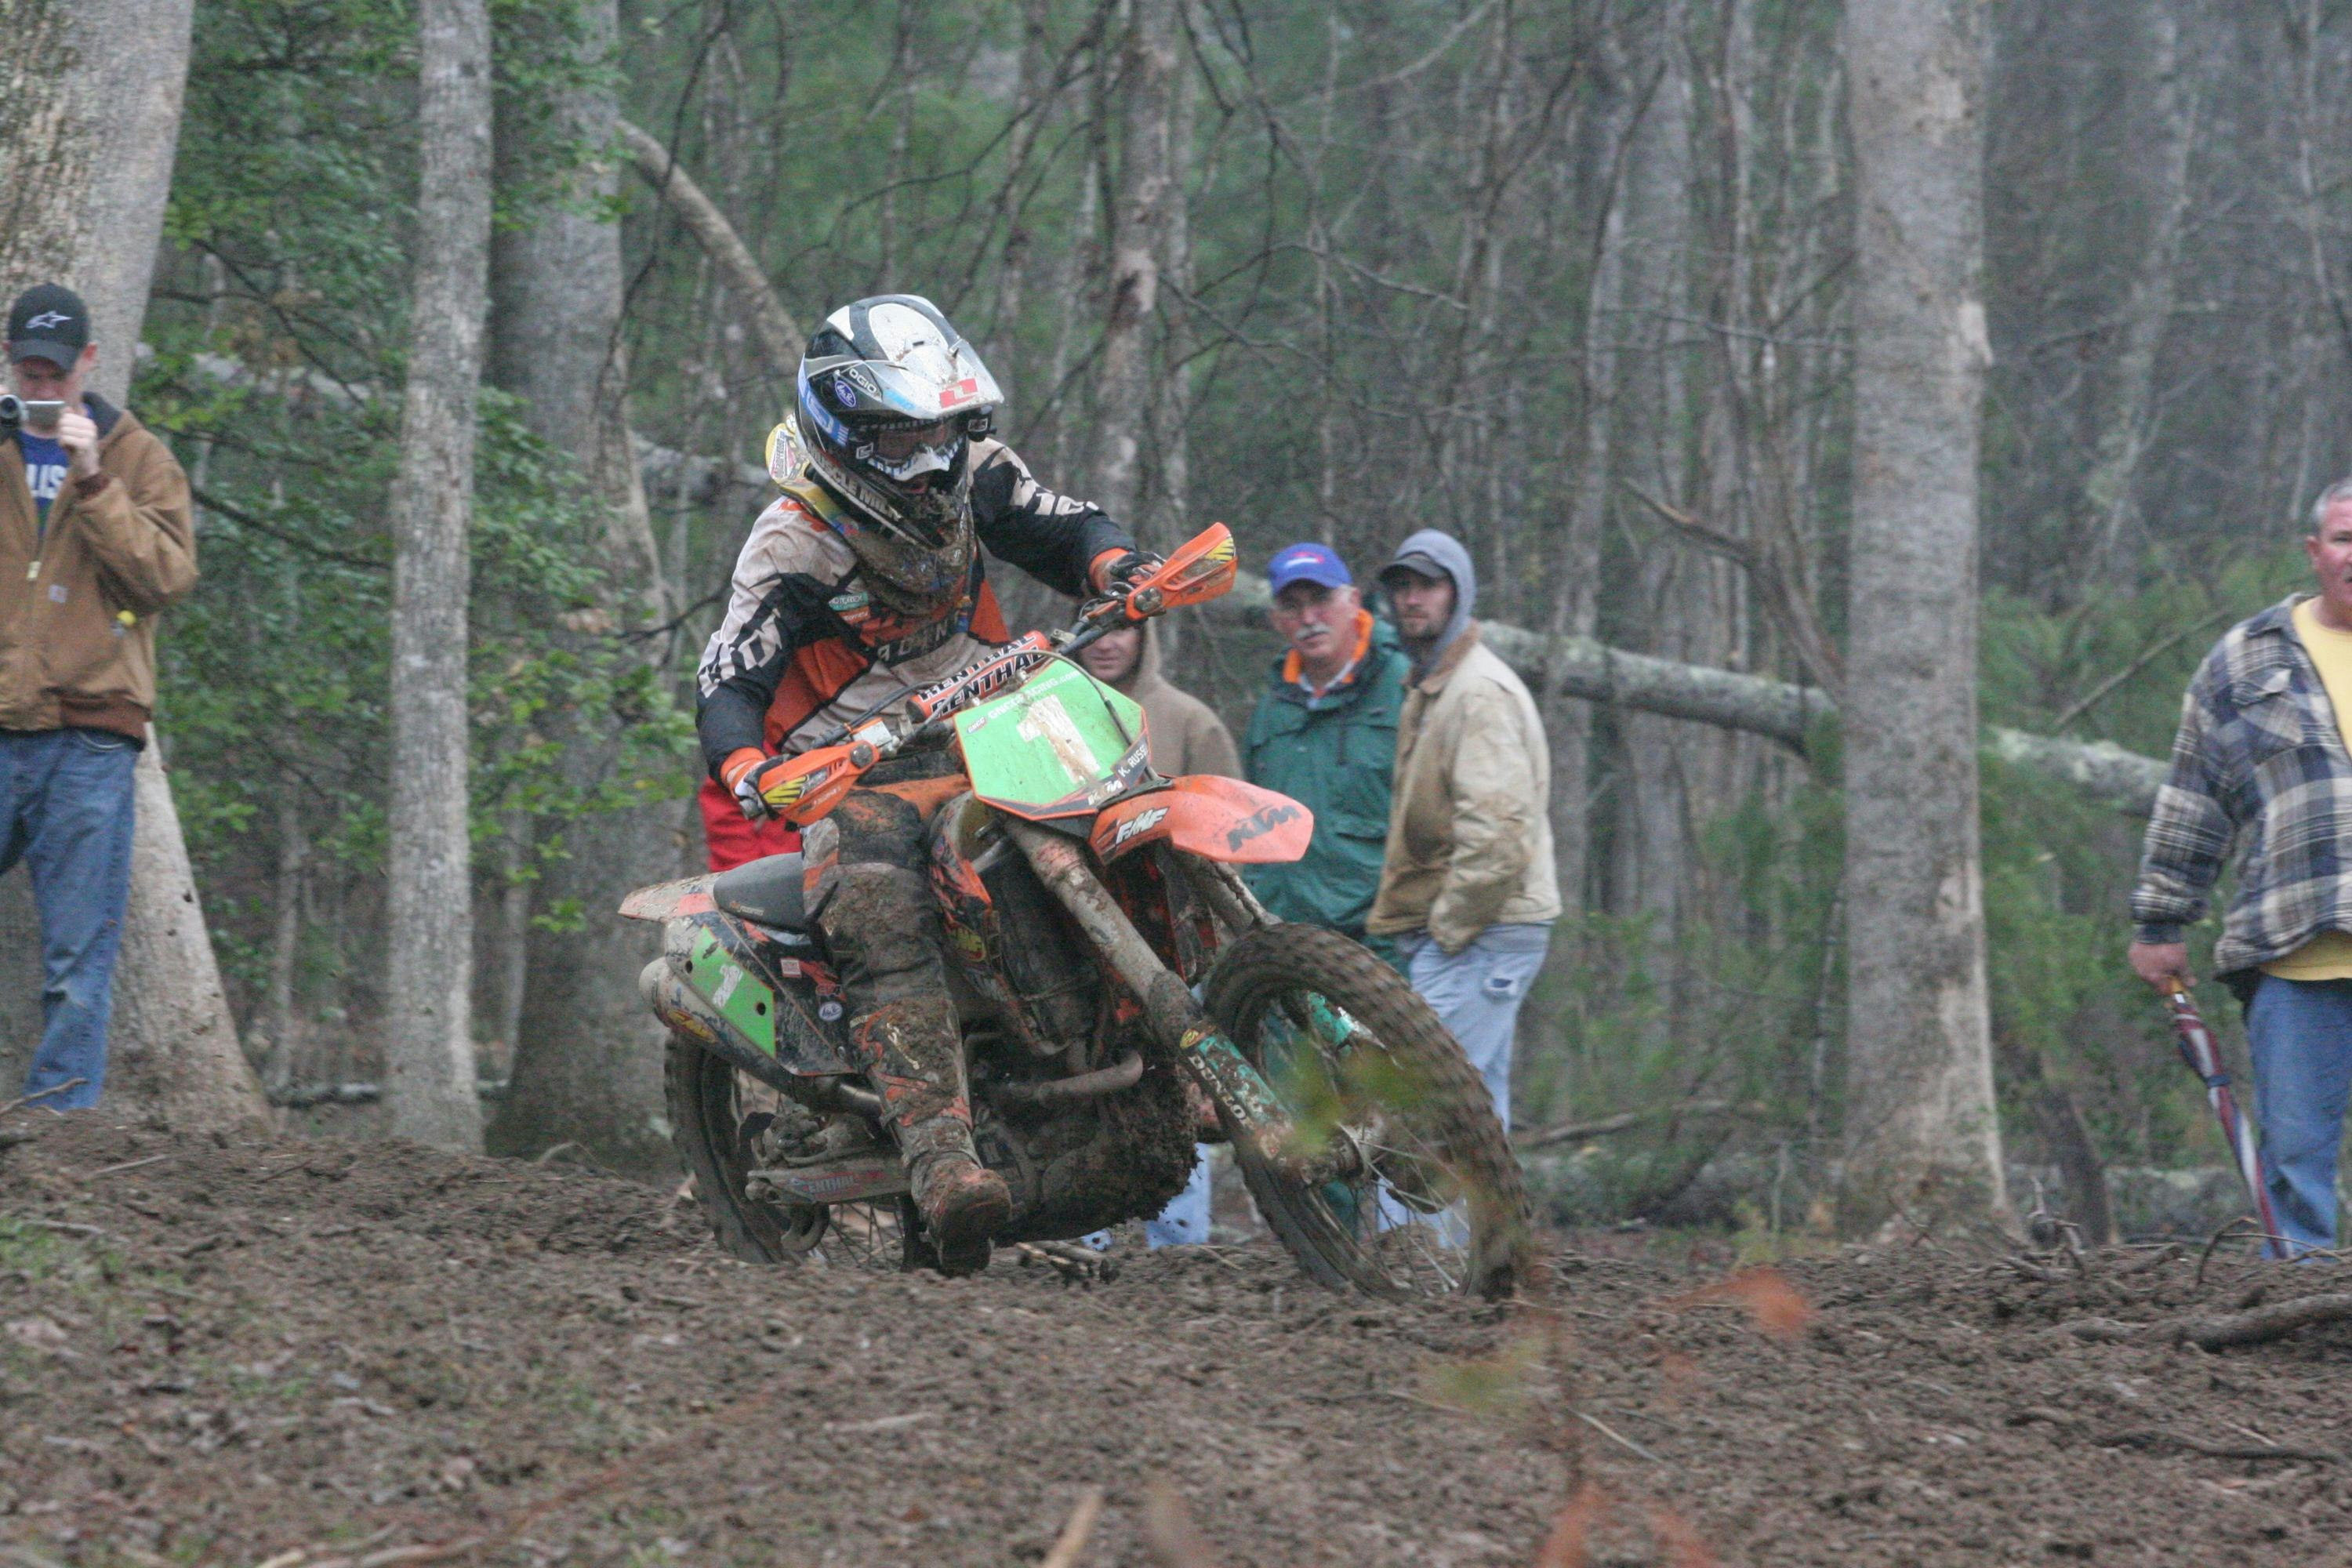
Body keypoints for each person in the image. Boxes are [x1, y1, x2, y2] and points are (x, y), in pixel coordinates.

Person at [697, 295, 1152, 1272]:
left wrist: (1116, 563)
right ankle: (943, 1155)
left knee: (1122, 795)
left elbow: (1058, 526)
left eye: (942, 427)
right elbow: (730, 676)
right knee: (877, 899)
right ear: (845, 435)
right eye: (903, 436)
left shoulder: (973, 473)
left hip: (991, 715)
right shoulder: (795, 540)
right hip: (860, 766)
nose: (930, 453)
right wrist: (748, 766)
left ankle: (1188, 1032)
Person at [2129, 476, 2352, 1256]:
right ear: (2315, 550)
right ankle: (2301, 1317)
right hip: (2296, 950)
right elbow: (2194, 796)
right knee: (2295, 1159)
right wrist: (2161, 918)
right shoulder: (2248, 658)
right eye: (2345, 539)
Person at [0, 284, 198, 1110]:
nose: (41, 388)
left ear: (87, 362)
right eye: (27, 370)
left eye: (54, 370)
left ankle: (58, 1135)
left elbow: (165, 577)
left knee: (80, 959)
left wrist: (92, 480)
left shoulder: (137, 455)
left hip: (91, 740)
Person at [1367, 529, 1559, 1130]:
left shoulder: (1478, 693)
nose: (1412, 600)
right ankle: (1489, 1228)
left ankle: (1406, 1231)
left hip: (1485, 930)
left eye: (1428, 585)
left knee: (1421, 1111)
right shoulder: (1434, 685)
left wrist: (1448, 929)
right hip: (1481, 929)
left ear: (1459, 594)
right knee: (1476, 1118)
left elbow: (1499, 835)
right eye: (1402, 587)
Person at [1073, 618, 1238, 1248]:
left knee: (1175, 1089)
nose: (1107, 642)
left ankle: (1179, 1249)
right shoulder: (1046, 723)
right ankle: (1084, 1240)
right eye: (1092, 630)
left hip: (1175, 946)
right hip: (1081, 948)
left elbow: (1228, 847)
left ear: (1148, 636)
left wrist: (1211, 944)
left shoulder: (1192, 725)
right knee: (1087, 1088)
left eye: (1122, 628)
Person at [1240, 541, 1410, 946]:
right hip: (1284, 937)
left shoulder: (1406, 687)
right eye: (1292, 606)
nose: (1309, 618)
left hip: (1381, 940)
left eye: (1321, 600)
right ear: (1277, 620)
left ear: (1353, 601)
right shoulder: (1271, 707)